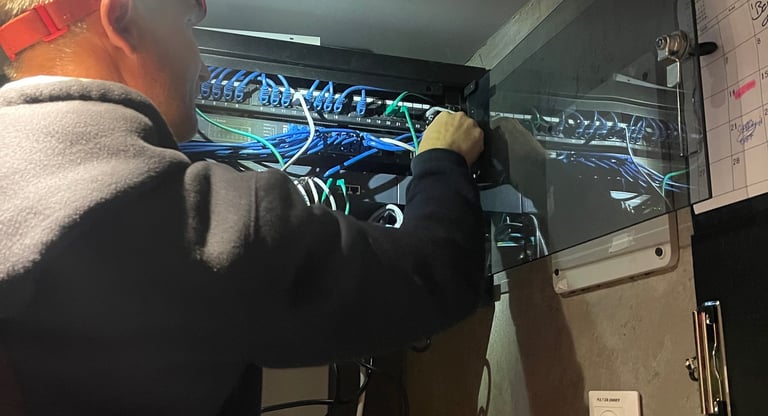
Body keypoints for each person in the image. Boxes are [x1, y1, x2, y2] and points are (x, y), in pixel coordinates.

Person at [0, 0, 486, 415]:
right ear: (122, 19)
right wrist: (442, 158)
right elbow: (439, 272)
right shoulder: (200, 223)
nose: (205, 67)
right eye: (188, 26)